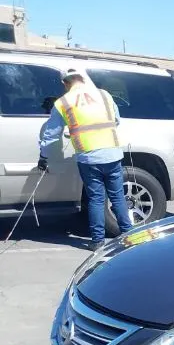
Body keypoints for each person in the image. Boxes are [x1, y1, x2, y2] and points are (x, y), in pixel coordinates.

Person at [38, 68, 133, 251]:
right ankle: (128, 235)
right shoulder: (104, 95)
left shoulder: (63, 102)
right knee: (117, 196)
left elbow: (51, 135)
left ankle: (97, 241)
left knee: (96, 199)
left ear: (65, 83)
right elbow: (117, 120)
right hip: (112, 153)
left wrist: (44, 156)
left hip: (89, 158)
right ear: (81, 78)